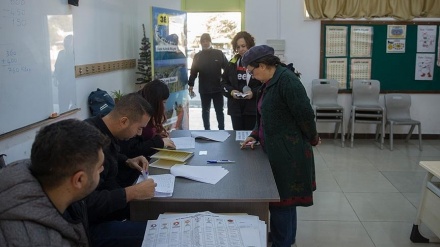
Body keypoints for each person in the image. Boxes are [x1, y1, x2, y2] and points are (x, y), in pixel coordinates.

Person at [240, 45, 321, 247]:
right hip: (277, 150)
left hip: (288, 154)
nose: (251, 76)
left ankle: (281, 242)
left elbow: (305, 115)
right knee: (285, 201)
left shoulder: (287, 82)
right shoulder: (269, 82)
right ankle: (286, 240)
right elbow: (264, 114)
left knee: (282, 202)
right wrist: (255, 134)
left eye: (252, 71)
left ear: (264, 65)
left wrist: (313, 138)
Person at [0, 119, 109, 246]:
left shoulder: (23, 172)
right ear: (79, 180)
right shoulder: (40, 241)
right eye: (99, 166)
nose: (103, 169)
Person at [84, 92, 157, 247]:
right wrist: (132, 192)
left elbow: (112, 155)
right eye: (139, 128)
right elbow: (88, 204)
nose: (139, 134)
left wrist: (127, 160)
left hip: (112, 211)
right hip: (92, 226)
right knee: (156, 234)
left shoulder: (101, 128)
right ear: (124, 121)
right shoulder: (88, 142)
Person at [120, 79, 176, 159]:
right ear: (155, 102)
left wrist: (156, 136)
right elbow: (132, 149)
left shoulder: (145, 106)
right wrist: (159, 142)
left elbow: (143, 138)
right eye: (163, 103)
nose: (164, 107)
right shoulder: (137, 112)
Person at [221, 31, 261, 130]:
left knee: (250, 137)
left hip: (252, 108)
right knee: (238, 137)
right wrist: (231, 92)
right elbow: (223, 83)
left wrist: (253, 93)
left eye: (243, 46)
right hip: (235, 108)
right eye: (238, 47)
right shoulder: (232, 63)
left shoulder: (258, 64)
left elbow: (264, 84)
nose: (241, 49)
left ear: (250, 45)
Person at [188, 33, 228, 130]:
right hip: (204, 89)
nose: (205, 43)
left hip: (218, 88)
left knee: (219, 111)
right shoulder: (198, 56)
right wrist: (191, 84)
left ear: (210, 41)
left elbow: (227, 68)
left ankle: (221, 130)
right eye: (203, 41)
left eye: (207, 41)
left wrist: (223, 79)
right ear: (201, 43)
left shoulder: (219, 53)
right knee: (205, 111)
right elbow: (193, 72)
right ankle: (207, 130)